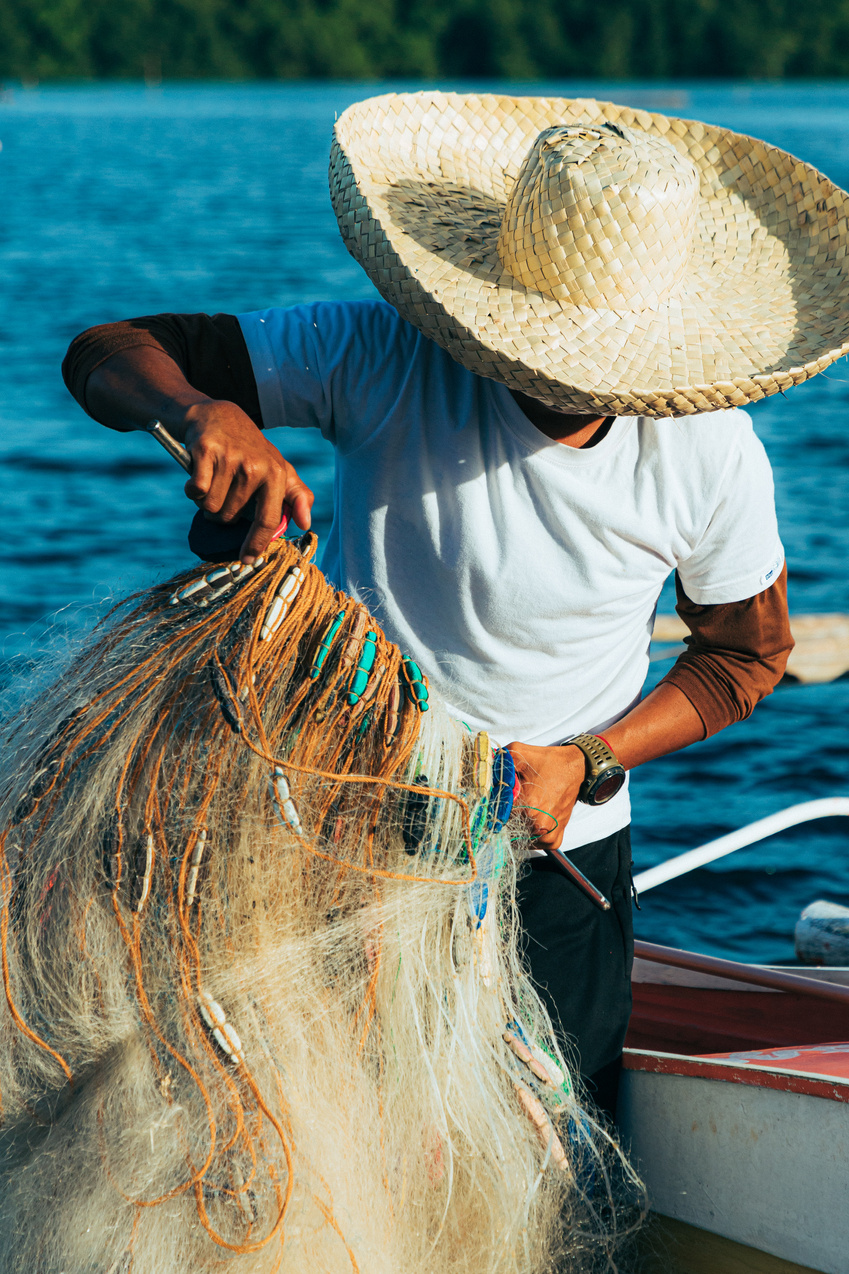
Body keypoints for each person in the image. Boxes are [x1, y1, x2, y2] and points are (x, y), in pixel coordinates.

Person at [62, 90, 847, 1119]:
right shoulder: (382, 352)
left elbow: (745, 653)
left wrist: (586, 759)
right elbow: (106, 350)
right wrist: (203, 412)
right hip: (335, 829)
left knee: (557, 1156)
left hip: (557, 860)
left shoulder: (709, 450)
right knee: (314, 1127)